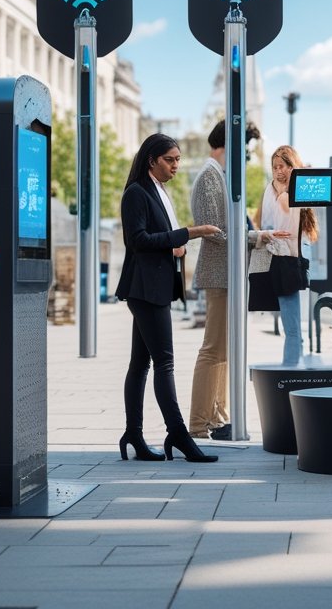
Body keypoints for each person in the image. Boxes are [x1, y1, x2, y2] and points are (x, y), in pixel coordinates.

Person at [117, 133, 221, 463]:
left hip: (154, 286)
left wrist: (176, 246)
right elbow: (137, 240)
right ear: (152, 160)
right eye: (170, 160)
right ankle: (177, 433)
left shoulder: (158, 191)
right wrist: (190, 232)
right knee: (165, 362)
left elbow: (156, 240)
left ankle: (133, 433)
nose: (176, 166)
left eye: (177, 159)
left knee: (140, 364)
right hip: (144, 289)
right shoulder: (137, 193)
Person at [188, 120, 263, 441]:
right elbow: (214, 228)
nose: (245, 155)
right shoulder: (208, 175)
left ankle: (217, 416)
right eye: (244, 147)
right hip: (220, 273)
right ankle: (198, 422)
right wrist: (257, 236)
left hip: (227, 274)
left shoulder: (218, 174)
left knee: (223, 351)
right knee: (213, 349)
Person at [254, 145, 317, 366]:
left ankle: (291, 369)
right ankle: (291, 371)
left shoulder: (290, 191)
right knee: (292, 328)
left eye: (284, 166)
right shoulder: (276, 191)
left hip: (289, 260)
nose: (279, 170)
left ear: (293, 166)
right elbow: (279, 211)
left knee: (292, 327)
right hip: (278, 260)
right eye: (275, 167)